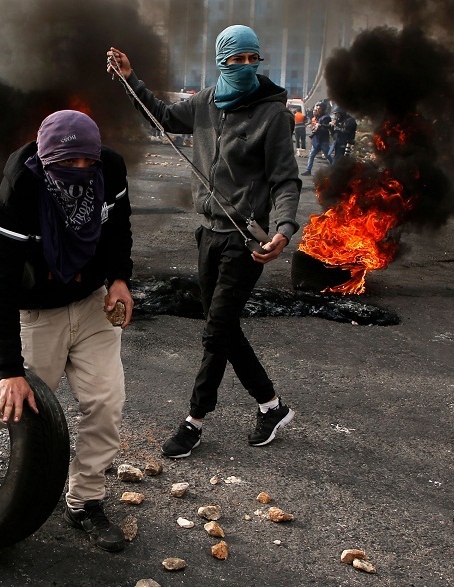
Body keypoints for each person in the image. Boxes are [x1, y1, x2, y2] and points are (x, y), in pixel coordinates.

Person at [108, 24, 300, 459]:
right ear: (221, 61)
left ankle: (194, 422)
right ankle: (271, 406)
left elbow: (286, 180)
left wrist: (284, 229)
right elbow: (161, 114)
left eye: (253, 59)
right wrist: (129, 78)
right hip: (209, 235)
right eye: (237, 59)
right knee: (223, 327)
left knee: (216, 332)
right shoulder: (205, 103)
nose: (246, 66)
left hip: (245, 242)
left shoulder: (273, 116)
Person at [0, 109, 134, 552]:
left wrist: (119, 279)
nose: (79, 170)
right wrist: (10, 371)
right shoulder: (22, 187)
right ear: (47, 158)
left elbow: (119, 230)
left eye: (86, 161)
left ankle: (85, 503)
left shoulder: (109, 168)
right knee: (21, 406)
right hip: (37, 311)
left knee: (106, 403)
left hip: (91, 302)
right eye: (67, 163)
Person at [302, 100, 332, 176]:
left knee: (328, 156)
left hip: (323, 140)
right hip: (316, 140)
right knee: (311, 156)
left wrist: (319, 126)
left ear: (323, 109)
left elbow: (325, 127)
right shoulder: (317, 117)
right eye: (317, 108)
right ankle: (308, 170)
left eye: (319, 109)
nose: (317, 110)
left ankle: (335, 168)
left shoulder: (326, 117)